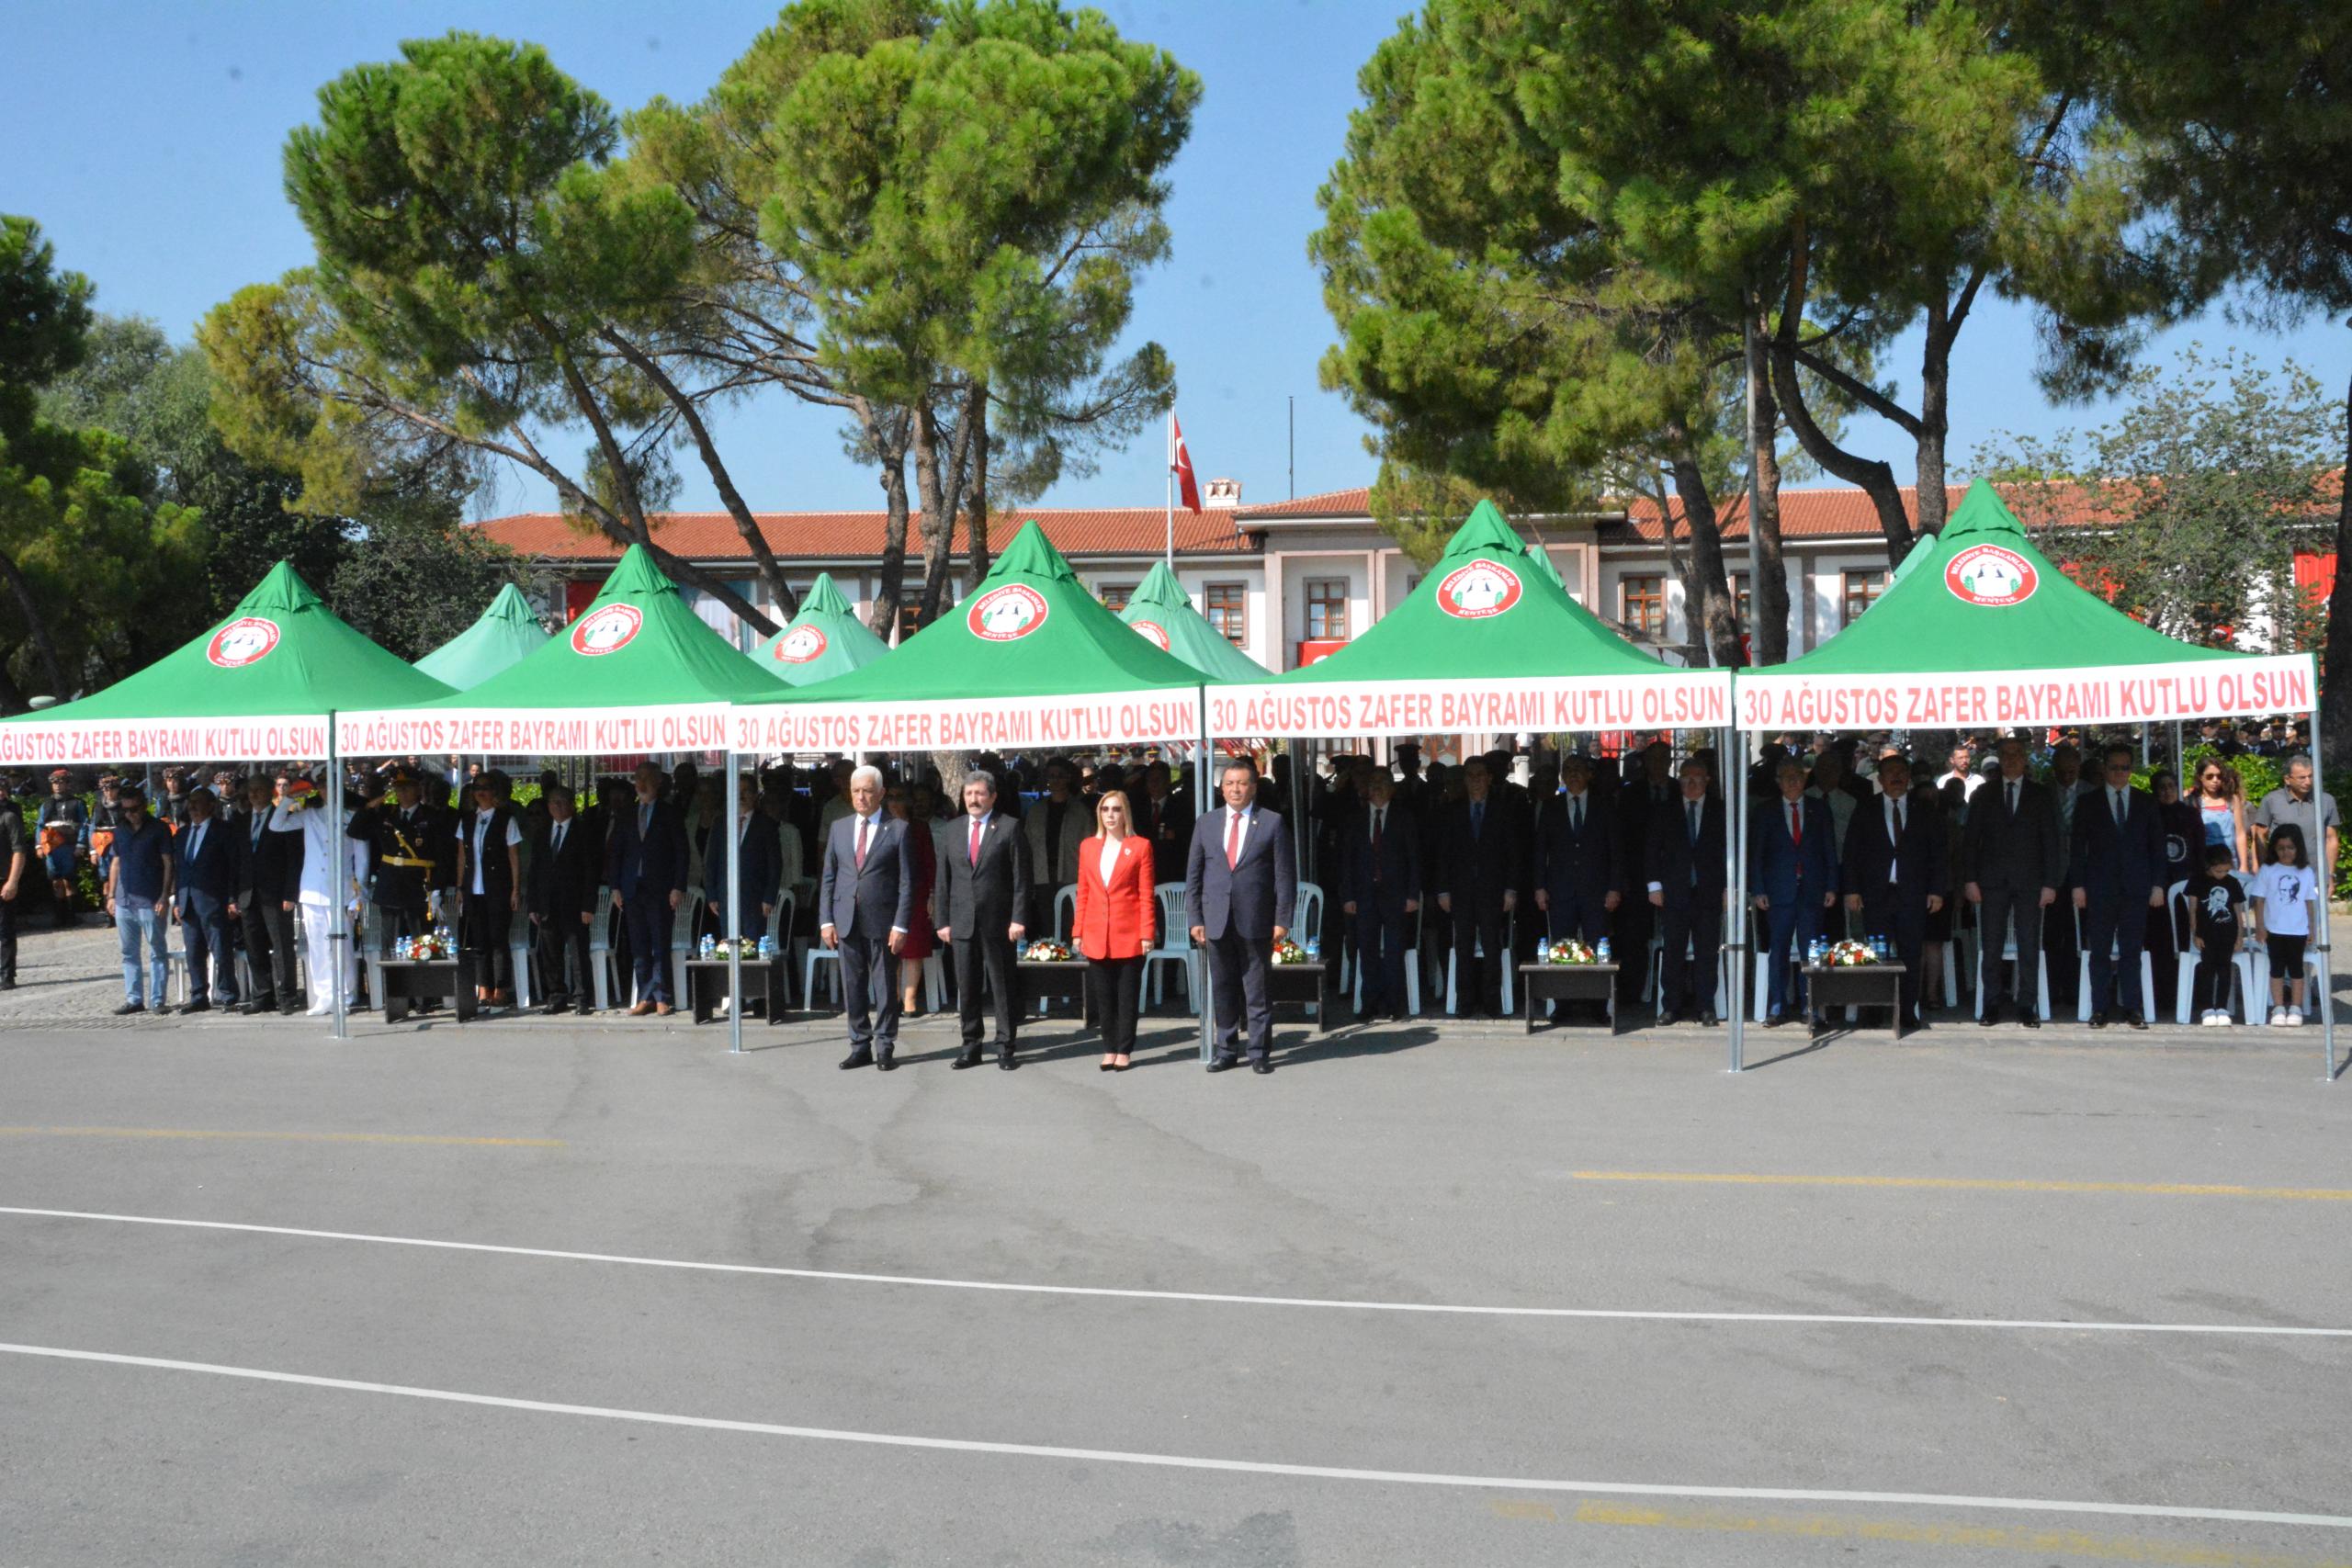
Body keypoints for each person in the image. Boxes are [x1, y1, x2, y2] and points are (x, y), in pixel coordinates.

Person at [1185, 759, 1297, 1074]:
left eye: (1242, 783)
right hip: (1216, 919)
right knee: (1223, 989)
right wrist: (1195, 918)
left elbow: (1285, 876)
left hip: (1257, 919)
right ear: (1222, 789)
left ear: (1253, 788)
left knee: (1257, 990)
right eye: (1230, 783)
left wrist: (1282, 919)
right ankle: (1226, 1050)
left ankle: (1259, 1052)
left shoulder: (1272, 822)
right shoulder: (1206, 823)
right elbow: (1194, 876)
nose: (1236, 789)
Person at [1839, 753, 1947, 1031]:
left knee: (1911, 952)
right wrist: (1851, 890)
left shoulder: (1924, 809)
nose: (1896, 777)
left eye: (1901, 772)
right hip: (1876, 893)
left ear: (1909, 777)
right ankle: (1875, 1009)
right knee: (1876, 953)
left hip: (1913, 893)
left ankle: (1907, 1010)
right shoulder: (1867, 808)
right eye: (1891, 772)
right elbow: (1851, 853)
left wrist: (1937, 890)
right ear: (1880, 778)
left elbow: (1938, 853)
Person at [820, 764, 916, 1070]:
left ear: (881, 793)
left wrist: (901, 924)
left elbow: (907, 882)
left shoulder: (898, 829)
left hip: (883, 921)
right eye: (856, 791)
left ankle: (885, 1045)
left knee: (885, 987)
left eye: (867, 791)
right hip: (846, 919)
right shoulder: (839, 828)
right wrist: (826, 920)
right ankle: (859, 1045)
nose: (861, 797)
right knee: (853, 987)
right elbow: (829, 877)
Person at [1962, 736, 2062, 1028]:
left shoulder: (2040, 794)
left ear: (2025, 758)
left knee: (2029, 945)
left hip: (2030, 881)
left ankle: (2026, 1005)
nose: (2012, 759)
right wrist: (1970, 879)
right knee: (1991, 946)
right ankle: (1991, 1004)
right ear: (1999, 758)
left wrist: (2050, 883)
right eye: (2006, 754)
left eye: (2017, 753)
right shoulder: (1984, 793)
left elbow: (2051, 841)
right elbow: (1971, 840)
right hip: (1992, 881)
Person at [933, 770, 1029, 1069]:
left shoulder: (1009, 827)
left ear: (993, 796)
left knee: (1002, 986)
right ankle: (971, 1046)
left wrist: (1018, 918)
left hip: (998, 921)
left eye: (979, 793)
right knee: (967, 986)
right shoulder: (952, 829)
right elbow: (943, 879)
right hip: (961, 920)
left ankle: (1005, 1047)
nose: (973, 799)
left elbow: (1021, 878)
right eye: (969, 794)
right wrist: (942, 920)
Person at [2070, 743, 2165, 1029]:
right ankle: (2099, 1009)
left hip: (2136, 887)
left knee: (2131, 951)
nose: (2120, 772)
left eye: (2125, 767)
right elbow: (2077, 848)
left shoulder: (2146, 802)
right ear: (2105, 768)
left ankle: (2132, 1007)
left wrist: (2158, 885)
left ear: (2131, 769)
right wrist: (2078, 885)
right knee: (2099, 951)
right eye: (2114, 767)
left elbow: (2157, 848)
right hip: (2099, 888)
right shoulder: (2088, 802)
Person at [1749, 758, 1838, 1029]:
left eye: (1797, 776)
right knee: (1778, 949)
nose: (1792, 781)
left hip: (1812, 889)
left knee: (1811, 950)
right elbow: (1756, 854)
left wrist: (1831, 885)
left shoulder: (1819, 808)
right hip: (1778, 891)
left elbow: (1829, 850)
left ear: (1805, 779)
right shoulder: (1765, 811)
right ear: (1778, 782)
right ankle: (1777, 1006)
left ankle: (1809, 1006)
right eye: (1786, 777)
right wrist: (1758, 889)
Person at [346, 765, 453, 987]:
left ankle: (423, 993)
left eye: (407, 787)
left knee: (421, 942)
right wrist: (369, 807)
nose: (402, 792)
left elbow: (443, 857)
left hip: (419, 887)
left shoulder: (432, 817)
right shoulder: (386, 813)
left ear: (418, 789)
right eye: (398, 788)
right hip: (391, 886)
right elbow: (355, 831)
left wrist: (437, 890)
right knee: (392, 944)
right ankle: (396, 992)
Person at [1434, 757, 1523, 1018]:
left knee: (1492, 945)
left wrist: (1511, 889)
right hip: (1460, 890)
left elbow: (1513, 854)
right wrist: (1443, 890)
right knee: (1463, 945)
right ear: (1464, 780)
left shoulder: (1502, 810)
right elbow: (1443, 854)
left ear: (1489, 778)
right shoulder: (1452, 811)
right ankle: (1465, 1001)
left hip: (1492, 889)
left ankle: (1491, 1001)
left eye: (1480, 775)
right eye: (1470, 775)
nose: (1475, 780)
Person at [1077, 788, 1156, 1071]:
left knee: (1127, 996)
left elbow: (1146, 894)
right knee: (1103, 996)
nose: (1110, 814)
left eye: (1116, 809)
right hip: (1096, 932)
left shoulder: (1140, 846)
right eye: (1105, 809)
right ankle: (1108, 1047)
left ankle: (1124, 1049)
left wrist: (1147, 933)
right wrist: (1077, 931)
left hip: (1129, 932)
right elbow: (1083, 891)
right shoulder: (1088, 846)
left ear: (1125, 814)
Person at [1645, 756, 1728, 1026]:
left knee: (1707, 952)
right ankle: (1671, 1007)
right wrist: (1654, 885)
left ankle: (1706, 1007)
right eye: (1686, 778)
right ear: (1679, 781)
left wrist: (1730, 887)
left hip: (1709, 891)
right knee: (1673, 951)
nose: (1691, 783)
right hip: (1674, 891)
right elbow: (1652, 849)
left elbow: (1730, 851)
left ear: (1707, 780)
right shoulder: (1665, 810)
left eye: (1697, 778)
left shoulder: (1720, 810)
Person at [605, 761, 690, 1016]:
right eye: (638, 778)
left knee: (660, 943)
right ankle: (645, 996)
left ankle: (662, 996)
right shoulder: (627, 813)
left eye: (646, 778)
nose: (641, 783)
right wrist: (615, 886)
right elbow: (615, 852)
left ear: (658, 782)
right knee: (639, 945)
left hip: (660, 888)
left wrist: (678, 886)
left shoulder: (669, 813)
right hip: (632, 888)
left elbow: (681, 852)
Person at [1341, 773, 1422, 1022]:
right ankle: (1369, 1003)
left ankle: (1393, 1004)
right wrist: (1348, 896)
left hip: (1396, 894)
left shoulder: (1404, 818)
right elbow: (1346, 861)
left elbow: (1414, 858)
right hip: (1364, 894)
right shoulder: (1355, 819)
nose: (1377, 789)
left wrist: (1413, 894)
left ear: (1392, 789)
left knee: (1395, 949)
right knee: (1367, 949)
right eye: (1373, 784)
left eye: (1383, 784)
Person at [102, 783, 174, 1016]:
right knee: (128, 952)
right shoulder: (120, 830)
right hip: (124, 900)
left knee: (157, 950)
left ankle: (158, 1000)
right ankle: (134, 999)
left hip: (151, 899)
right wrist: (111, 895)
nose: (130, 814)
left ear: (144, 806)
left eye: (134, 809)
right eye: (125, 810)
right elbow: (116, 862)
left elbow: (168, 863)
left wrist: (164, 895)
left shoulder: (159, 829)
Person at [454, 773, 524, 1009]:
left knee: (498, 939)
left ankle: (501, 988)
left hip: (498, 887)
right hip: (473, 889)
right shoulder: (467, 820)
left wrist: (515, 888)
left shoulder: (506, 819)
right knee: (479, 940)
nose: (481, 792)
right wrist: (460, 886)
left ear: (495, 791)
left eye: (485, 788)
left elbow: (514, 857)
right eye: (477, 788)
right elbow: (462, 855)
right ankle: (483, 986)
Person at [528, 784, 599, 1015]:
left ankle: (582, 998)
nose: (558, 807)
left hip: (575, 904)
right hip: (547, 904)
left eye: (562, 802)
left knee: (578, 953)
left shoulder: (583, 832)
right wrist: (533, 905)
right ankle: (556, 997)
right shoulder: (542, 833)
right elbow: (534, 870)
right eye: (553, 803)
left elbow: (591, 871)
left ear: (572, 805)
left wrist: (588, 905)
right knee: (551, 954)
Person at [235, 773, 302, 1014]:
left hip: (276, 893)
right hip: (248, 894)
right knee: (254, 947)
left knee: (282, 946)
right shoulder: (241, 820)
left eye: (259, 789)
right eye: (250, 790)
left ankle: (286, 996)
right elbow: (236, 861)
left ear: (270, 791)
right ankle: (262, 996)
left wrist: (290, 894)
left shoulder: (283, 818)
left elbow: (294, 859)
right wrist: (234, 896)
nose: (253, 794)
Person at [170, 786, 241, 1014]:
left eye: (198, 802)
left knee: (221, 950)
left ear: (211, 805)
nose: (192, 807)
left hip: (215, 900)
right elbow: (180, 870)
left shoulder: (223, 831)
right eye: (190, 802)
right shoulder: (182, 834)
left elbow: (233, 867)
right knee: (193, 951)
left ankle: (228, 994)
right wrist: (178, 900)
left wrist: (232, 898)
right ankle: (199, 995)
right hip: (188, 901)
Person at [2250, 824, 2318, 1028]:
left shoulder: (2306, 872)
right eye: (2281, 848)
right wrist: (2260, 926)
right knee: (2276, 968)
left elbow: (2309, 902)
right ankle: (2278, 1007)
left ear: (2298, 848)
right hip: (2274, 930)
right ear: (2274, 848)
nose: (2286, 852)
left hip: (2298, 930)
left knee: (2297, 969)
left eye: (2290, 847)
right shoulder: (2268, 870)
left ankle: (2296, 1007)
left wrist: (2311, 928)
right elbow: (2259, 900)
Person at [883, 782, 936, 1019]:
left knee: (914, 946)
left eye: (900, 797)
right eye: (891, 797)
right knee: (889, 947)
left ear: (909, 801)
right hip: (886, 895)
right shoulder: (881, 827)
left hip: (916, 894)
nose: (895, 802)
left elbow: (930, 863)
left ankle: (910, 1000)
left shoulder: (919, 828)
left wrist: (933, 894)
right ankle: (893, 998)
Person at [2185, 844, 2248, 1025]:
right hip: (2206, 934)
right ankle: (2207, 1008)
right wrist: (2195, 933)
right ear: (2209, 866)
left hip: (2227, 934)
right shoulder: (2197, 881)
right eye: (2218, 871)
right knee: (2207, 970)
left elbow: (2238, 912)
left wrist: (2239, 936)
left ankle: (2222, 1007)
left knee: (2225, 970)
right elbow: (2192, 910)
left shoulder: (2232, 883)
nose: (2222, 875)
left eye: (2226, 871)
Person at [1022, 755, 1084, 937]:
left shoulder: (1081, 811)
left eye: (1060, 775)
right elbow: (1026, 846)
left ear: (1068, 778)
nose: (1056, 780)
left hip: (1071, 875)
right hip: (1042, 876)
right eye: (1052, 776)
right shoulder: (1036, 811)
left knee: (1069, 926)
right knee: (1046, 927)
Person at [2253, 754, 2338, 874]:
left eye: (2310, 776)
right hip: (2281, 875)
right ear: (2287, 779)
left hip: (2317, 876)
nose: (2308, 782)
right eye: (2302, 778)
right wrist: (2265, 868)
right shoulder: (2271, 801)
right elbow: (2260, 835)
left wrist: (2330, 874)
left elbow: (2331, 838)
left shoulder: (2326, 800)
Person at [36, 769, 87, 927]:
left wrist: (80, 844)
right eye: (54, 783)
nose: (57, 786)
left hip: (69, 845)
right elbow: (40, 826)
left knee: (69, 880)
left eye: (61, 782)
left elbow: (84, 824)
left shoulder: (77, 803)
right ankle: (60, 916)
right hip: (52, 847)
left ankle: (72, 915)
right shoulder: (46, 804)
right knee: (56, 881)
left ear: (67, 784)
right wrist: (39, 845)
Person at [2189, 756, 2252, 874]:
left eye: (2219, 776)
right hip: (2206, 862)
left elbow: (2240, 833)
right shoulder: (2194, 801)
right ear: (2200, 777)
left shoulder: (2232, 799)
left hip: (2230, 861)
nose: (2215, 780)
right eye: (2210, 776)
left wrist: (2244, 865)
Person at [0, 783, 27, 988]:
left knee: (4, 930)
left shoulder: (9, 817)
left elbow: (19, 851)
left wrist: (12, 881)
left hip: (3, 879)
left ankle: (7, 975)